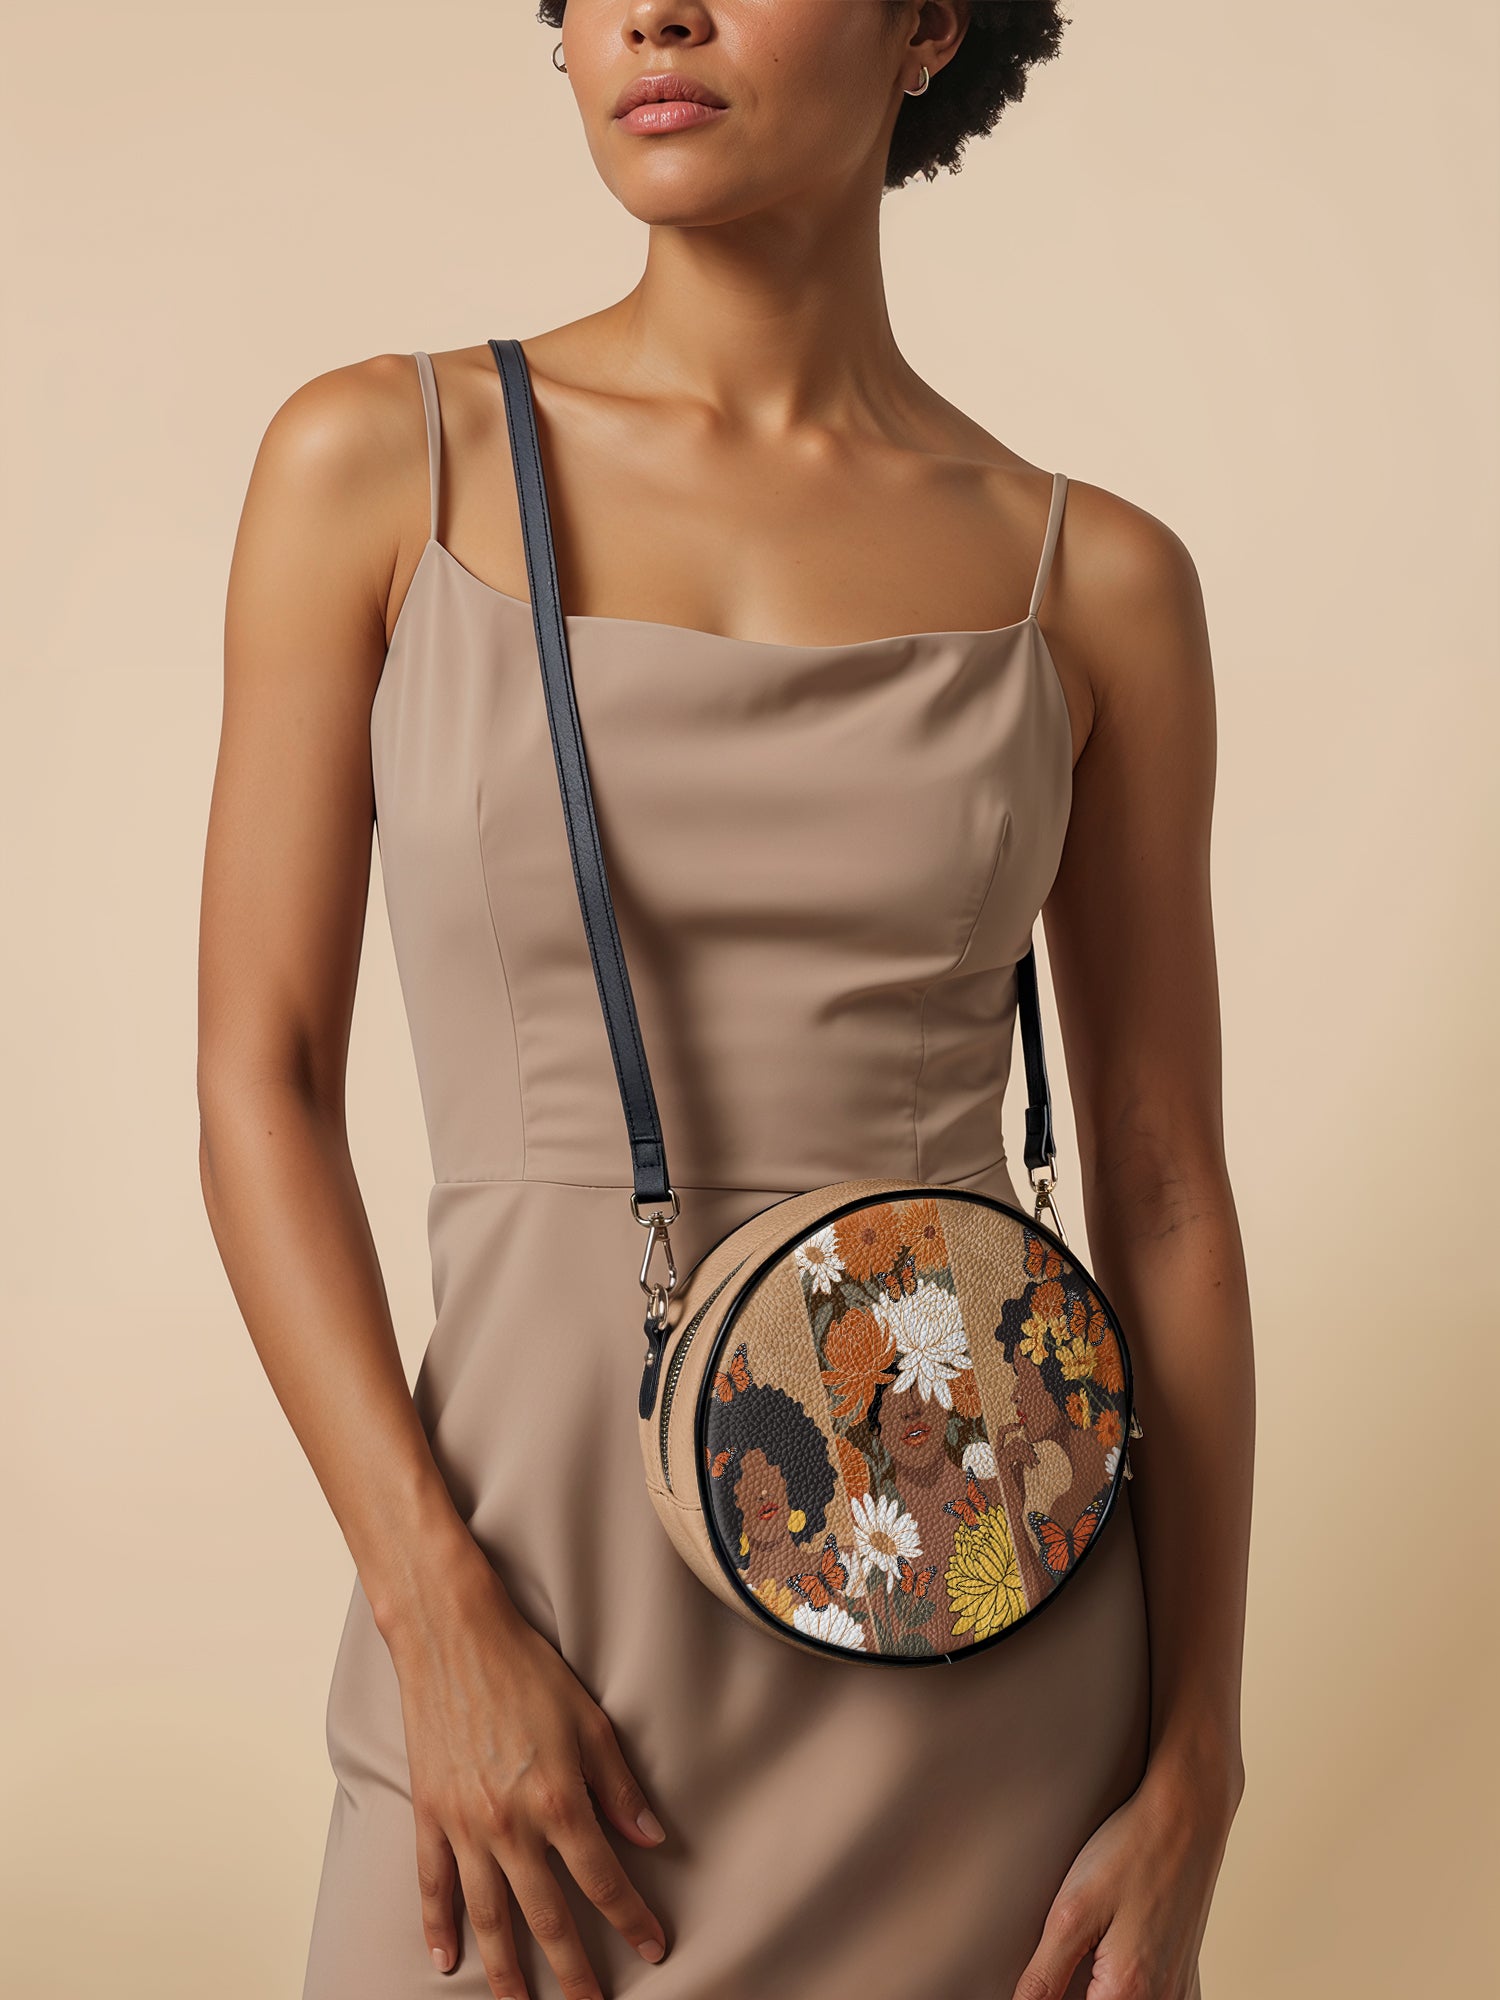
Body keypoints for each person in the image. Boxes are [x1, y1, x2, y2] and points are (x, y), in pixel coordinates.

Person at [197, 4, 1253, 1996]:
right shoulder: (379, 465)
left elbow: (1165, 1186)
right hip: (516, 1650)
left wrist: (1198, 1750)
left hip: (977, 1665)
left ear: (930, 21)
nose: (657, 10)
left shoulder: (1096, 581)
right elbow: (262, 1076)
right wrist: (434, 1619)